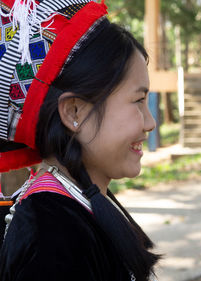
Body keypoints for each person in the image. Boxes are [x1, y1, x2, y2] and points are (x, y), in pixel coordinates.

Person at [0, 1, 159, 280]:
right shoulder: (50, 233)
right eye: (138, 101)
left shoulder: (70, 209)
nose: (150, 122)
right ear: (73, 112)